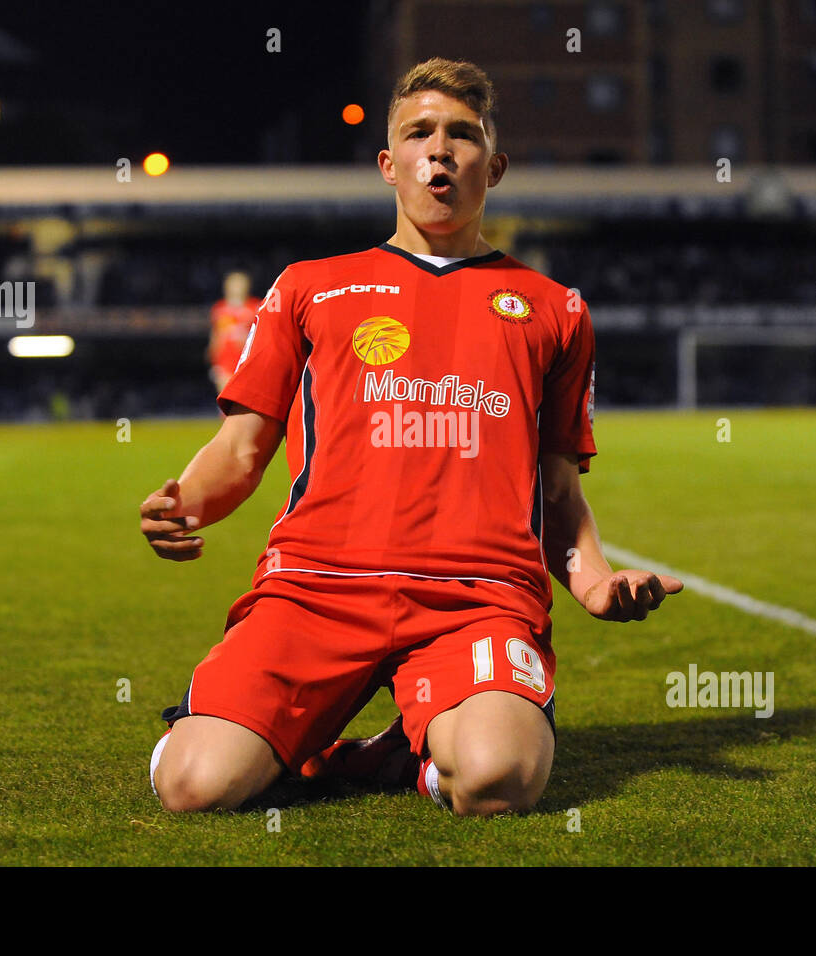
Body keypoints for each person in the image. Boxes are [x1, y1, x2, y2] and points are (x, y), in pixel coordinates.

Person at [139, 57, 683, 817]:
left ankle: (400, 759)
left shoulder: (555, 310)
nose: (440, 149)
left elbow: (557, 489)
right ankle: (246, 735)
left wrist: (592, 581)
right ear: (388, 164)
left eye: (462, 134)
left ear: (492, 166)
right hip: (317, 589)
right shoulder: (309, 286)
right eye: (419, 133)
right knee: (192, 785)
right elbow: (240, 449)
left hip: (477, 598)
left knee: (501, 780)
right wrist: (185, 503)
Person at [204, 270, 260, 397]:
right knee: (225, 397)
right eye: (234, 283)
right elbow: (216, 334)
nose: (237, 287)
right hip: (225, 360)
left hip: (246, 360)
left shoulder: (255, 306)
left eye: (240, 283)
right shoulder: (219, 308)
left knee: (243, 398)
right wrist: (213, 353)